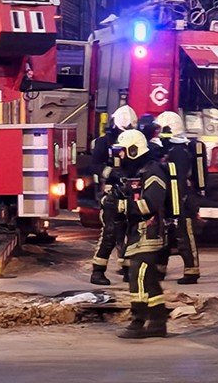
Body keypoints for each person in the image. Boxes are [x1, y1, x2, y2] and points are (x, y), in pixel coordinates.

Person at [114, 128, 171, 339]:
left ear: (133, 150)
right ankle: (157, 323)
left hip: (150, 233)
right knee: (148, 279)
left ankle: (138, 320)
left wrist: (121, 206)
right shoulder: (137, 172)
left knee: (137, 275)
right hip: (137, 233)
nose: (120, 155)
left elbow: (151, 204)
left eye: (123, 151)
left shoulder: (153, 172)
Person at [154, 109, 205, 284]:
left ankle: (192, 272)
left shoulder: (179, 152)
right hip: (172, 199)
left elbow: (179, 180)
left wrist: (178, 206)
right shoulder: (173, 150)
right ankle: (160, 270)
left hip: (182, 201)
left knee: (184, 235)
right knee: (165, 235)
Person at [88, 105, 138, 286]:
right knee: (110, 233)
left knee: (132, 232)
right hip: (112, 192)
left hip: (132, 193)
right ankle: (97, 272)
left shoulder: (136, 139)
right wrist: (110, 172)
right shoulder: (104, 141)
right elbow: (94, 165)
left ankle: (127, 268)